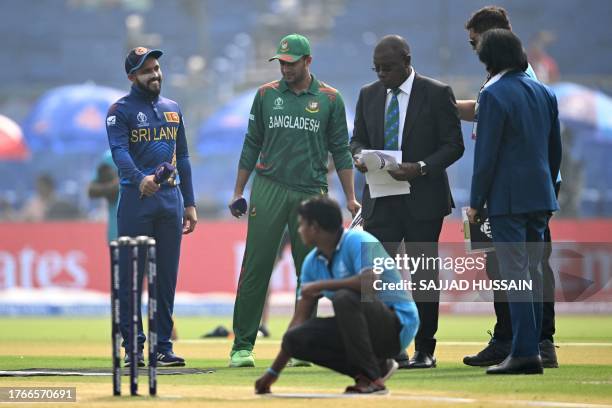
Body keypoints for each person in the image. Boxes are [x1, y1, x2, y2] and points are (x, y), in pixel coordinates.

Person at [228, 33, 360, 368]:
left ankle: (303, 343)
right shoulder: (266, 95)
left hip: (311, 191)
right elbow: (251, 143)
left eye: (291, 63)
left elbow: (341, 151)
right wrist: (238, 191)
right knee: (257, 265)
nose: (285, 69)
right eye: (281, 63)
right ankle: (242, 345)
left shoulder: (330, 98)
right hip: (269, 187)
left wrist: (351, 198)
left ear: (308, 62)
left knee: (310, 270)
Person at [350, 35, 464, 369]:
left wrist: (421, 168)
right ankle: (390, 346)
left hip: (423, 198)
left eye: (387, 68)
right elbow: (357, 138)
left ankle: (425, 349)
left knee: (423, 275)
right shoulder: (368, 94)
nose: (381, 74)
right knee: (378, 275)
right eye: (376, 68)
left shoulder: (436, 93)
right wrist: (358, 155)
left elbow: (453, 145)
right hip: (380, 197)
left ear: (406, 60)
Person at [458, 6, 560, 369]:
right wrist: (549, 188)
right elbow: (554, 150)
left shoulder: (494, 95)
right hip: (541, 194)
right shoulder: (544, 92)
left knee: (515, 275)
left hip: (507, 199)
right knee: (531, 272)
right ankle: (531, 346)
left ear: (489, 55)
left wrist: (475, 202)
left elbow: (485, 157)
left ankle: (524, 351)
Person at [254, 196, 419, 394]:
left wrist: (321, 285)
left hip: (397, 326)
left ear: (314, 227)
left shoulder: (359, 240)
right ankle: (378, 368)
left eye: (301, 225)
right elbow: (299, 319)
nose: (299, 231)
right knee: (296, 338)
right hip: (360, 328)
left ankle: (372, 379)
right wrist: (272, 373)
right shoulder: (312, 263)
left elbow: (369, 284)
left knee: (344, 297)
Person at [106, 46, 197, 367]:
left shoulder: (173, 108)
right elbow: (119, 151)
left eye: (157, 68)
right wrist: (139, 177)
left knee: (166, 278)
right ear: (133, 76)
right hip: (136, 200)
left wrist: (190, 203)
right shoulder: (120, 111)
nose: (155, 74)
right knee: (132, 279)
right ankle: (133, 347)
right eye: (147, 71)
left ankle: (163, 346)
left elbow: (182, 157)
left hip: (170, 202)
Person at [88, 149, 119, 242]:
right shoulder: (110, 156)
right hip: (116, 229)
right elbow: (91, 190)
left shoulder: (149, 151)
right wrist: (122, 182)